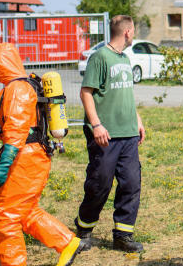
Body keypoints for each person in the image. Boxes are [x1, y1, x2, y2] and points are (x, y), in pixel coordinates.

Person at [0, 42, 88, 266]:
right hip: (30, 157)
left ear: (0, 63)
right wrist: (2, 156)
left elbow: (17, 128)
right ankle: (67, 243)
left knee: (5, 217)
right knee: (24, 210)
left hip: (24, 160)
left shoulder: (18, 89)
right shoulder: (20, 86)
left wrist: (5, 161)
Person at [75, 15, 146, 253]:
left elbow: (126, 93)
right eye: (133, 30)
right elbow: (86, 93)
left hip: (128, 136)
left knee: (131, 183)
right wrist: (96, 125)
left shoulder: (125, 59)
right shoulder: (100, 57)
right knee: (99, 184)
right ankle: (84, 229)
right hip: (106, 135)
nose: (133, 34)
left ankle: (123, 236)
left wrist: (137, 120)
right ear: (127, 32)